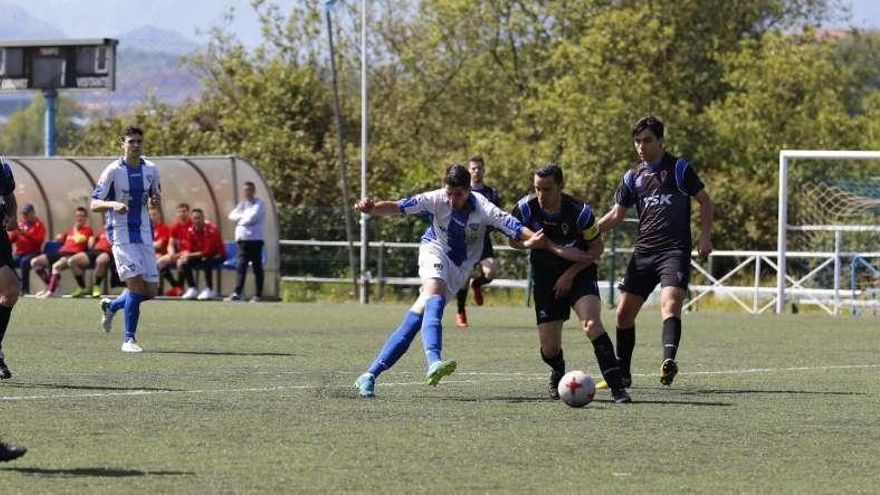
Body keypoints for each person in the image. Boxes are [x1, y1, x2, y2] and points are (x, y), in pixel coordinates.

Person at [352, 164, 588, 398]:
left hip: (461, 268)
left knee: (415, 320)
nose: (453, 199)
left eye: (459, 194)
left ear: (468, 190)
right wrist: (372, 208)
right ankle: (434, 361)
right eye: (449, 193)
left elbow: (515, 227)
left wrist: (540, 242)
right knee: (434, 291)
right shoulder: (435, 199)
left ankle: (370, 374)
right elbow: (398, 207)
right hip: (434, 250)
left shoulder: (484, 208)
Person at [597, 116, 714, 387]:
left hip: (674, 251)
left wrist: (705, 237)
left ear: (661, 141)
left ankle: (668, 361)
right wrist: (590, 230)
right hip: (644, 253)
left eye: (647, 140)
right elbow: (616, 215)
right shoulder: (632, 177)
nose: (641, 146)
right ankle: (623, 374)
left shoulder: (679, 169)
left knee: (670, 303)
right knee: (623, 315)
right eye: (637, 141)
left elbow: (705, 202)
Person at [511, 163, 631, 404]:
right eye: (537, 189)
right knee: (549, 349)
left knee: (591, 324)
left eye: (547, 189)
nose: (541, 195)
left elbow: (597, 249)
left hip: (579, 274)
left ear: (561, 187)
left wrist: (569, 274)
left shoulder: (580, 212)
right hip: (545, 279)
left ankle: (618, 389)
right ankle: (558, 369)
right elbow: (513, 240)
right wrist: (527, 244)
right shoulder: (525, 208)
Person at [92, 125, 162, 353]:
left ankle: (112, 306)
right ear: (122, 143)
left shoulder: (151, 169)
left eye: (138, 141)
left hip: (143, 232)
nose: (135, 145)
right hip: (120, 233)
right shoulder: (113, 170)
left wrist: (155, 201)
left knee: (150, 291)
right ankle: (128, 340)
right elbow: (94, 203)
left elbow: (155, 196)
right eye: (131, 141)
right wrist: (112, 204)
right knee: (134, 284)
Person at [454, 155, 502, 328]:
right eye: (473, 168)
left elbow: (496, 216)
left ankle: (478, 283)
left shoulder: (491, 193)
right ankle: (461, 312)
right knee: (463, 278)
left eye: (479, 168)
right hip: (463, 242)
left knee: (492, 272)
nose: (476, 171)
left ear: (484, 170)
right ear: (468, 171)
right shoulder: (460, 191)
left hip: (482, 240)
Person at [30, 207, 93, 298]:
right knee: (34, 262)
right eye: (77, 216)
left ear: (85, 218)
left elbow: (78, 239)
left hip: (72, 255)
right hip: (61, 252)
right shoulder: (69, 230)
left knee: (56, 266)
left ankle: (51, 291)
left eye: (81, 216)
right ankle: (50, 286)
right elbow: (62, 240)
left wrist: (75, 229)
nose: (79, 218)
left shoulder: (88, 230)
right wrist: (59, 238)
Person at [0, 157, 23, 378]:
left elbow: (8, 195)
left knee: (9, 293)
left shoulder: (2, 166)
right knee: (10, 288)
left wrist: (12, 215)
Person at [225, 181, 266, 302]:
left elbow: (251, 218)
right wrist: (242, 216)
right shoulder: (242, 204)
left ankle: (258, 295)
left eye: (249, 190)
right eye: (245, 190)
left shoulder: (259, 204)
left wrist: (241, 218)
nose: (247, 192)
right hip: (242, 241)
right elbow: (231, 216)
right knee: (241, 267)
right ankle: (237, 293)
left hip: (255, 241)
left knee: (257, 268)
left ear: (254, 191)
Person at [177, 208, 226, 300]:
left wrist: (189, 255)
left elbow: (208, 251)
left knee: (206, 260)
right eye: (195, 218)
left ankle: (209, 289)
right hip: (200, 255)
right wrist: (184, 256)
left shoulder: (212, 229)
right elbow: (189, 248)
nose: (197, 220)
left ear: (203, 218)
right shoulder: (190, 230)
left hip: (217, 255)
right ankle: (192, 288)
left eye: (199, 218)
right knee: (184, 262)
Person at [7, 203, 46, 295]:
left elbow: (39, 241)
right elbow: (12, 239)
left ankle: (25, 290)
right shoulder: (21, 224)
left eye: (26, 214)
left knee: (24, 262)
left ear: (32, 213)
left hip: (33, 254)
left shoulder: (39, 225)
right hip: (19, 254)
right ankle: (18, 282)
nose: (24, 216)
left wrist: (25, 234)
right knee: (6, 261)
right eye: (23, 214)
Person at [67, 229, 114, 298]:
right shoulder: (102, 232)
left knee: (101, 260)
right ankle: (82, 287)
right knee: (71, 261)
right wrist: (92, 239)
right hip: (94, 251)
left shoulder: (118, 231)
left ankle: (96, 285)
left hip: (107, 252)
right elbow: (92, 242)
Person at [161, 203, 192, 297]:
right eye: (180, 212)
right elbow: (170, 244)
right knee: (159, 263)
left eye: (184, 211)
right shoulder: (175, 227)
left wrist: (177, 255)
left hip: (189, 254)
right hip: (177, 254)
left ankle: (178, 289)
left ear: (188, 212)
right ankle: (176, 287)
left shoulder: (192, 226)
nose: (182, 213)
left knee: (181, 262)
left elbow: (191, 248)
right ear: (177, 214)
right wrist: (171, 253)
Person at [149, 205, 175, 293]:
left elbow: (159, 245)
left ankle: (157, 288)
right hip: (152, 255)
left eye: (154, 215)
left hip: (164, 256)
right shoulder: (147, 230)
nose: (152, 217)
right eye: (150, 215)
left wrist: (151, 245)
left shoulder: (164, 228)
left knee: (157, 260)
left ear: (159, 215)